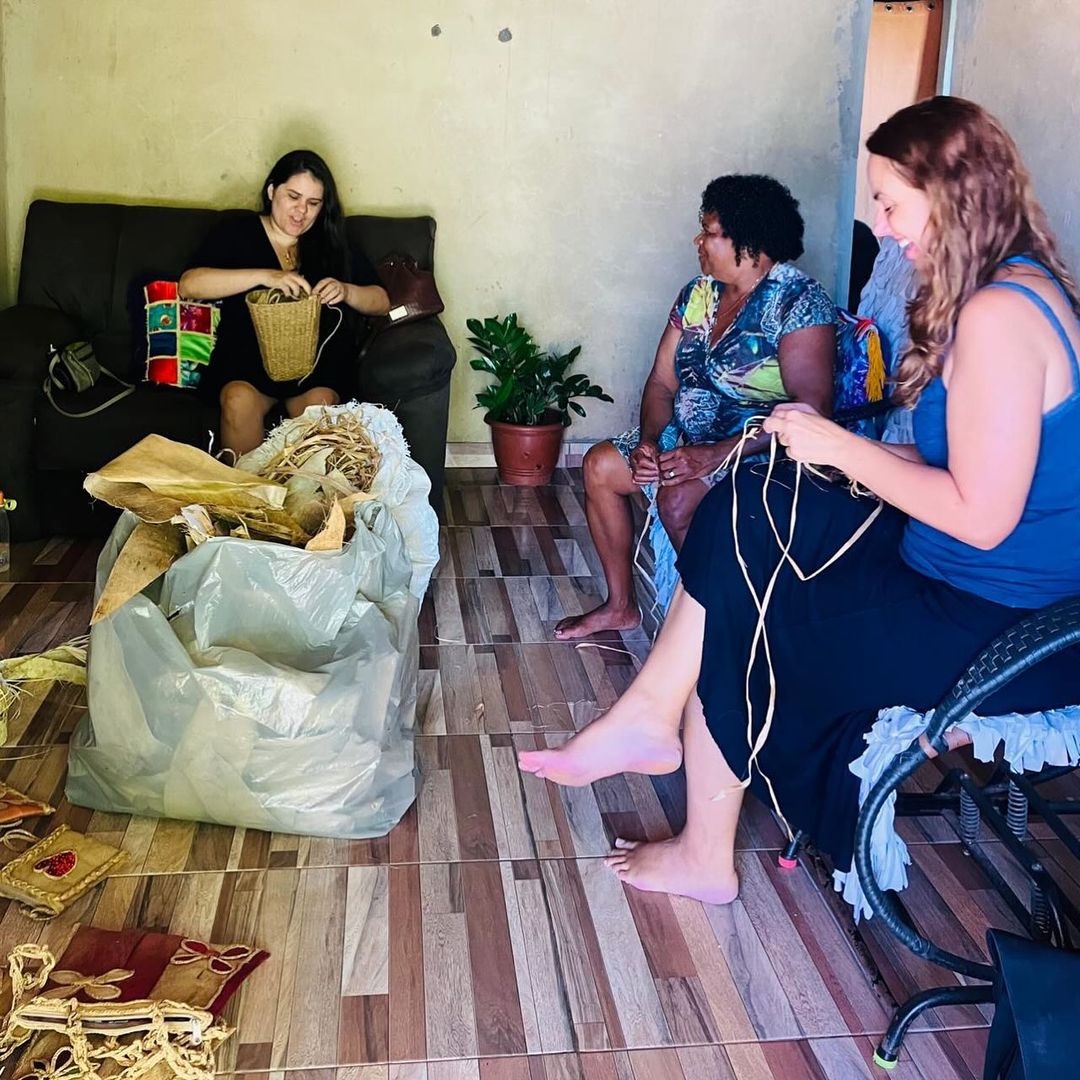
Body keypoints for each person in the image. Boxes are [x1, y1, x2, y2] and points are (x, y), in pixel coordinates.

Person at [521, 96, 1080, 903]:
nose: (882, 225)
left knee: (754, 612)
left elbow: (983, 517)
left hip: (1002, 620)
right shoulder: (1010, 290)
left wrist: (843, 448)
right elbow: (959, 461)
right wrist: (824, 452)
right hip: (963, 574)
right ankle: (648, 716)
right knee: (754, 496)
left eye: (890, 202)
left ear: (951, 193)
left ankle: (702, 849)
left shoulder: (997, 316)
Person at [553, 175, 836, 640]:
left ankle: (722, 628)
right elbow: (662, 384)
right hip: (687, 441)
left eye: (709, 232)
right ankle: (621, 607)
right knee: (601, 465)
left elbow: (811, 411)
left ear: (750, 242)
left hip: (760, 454)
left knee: (678, 498)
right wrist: (648, 442)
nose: (697, 241)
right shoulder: (698, 295)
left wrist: (714, 456)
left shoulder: (798, 303)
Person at [180, 149, 390, 456]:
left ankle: (303, 487)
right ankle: (248, 487)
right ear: (271, 191)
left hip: (315, 368)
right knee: (238, 401)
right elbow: (189, 285)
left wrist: (346, 291)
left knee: (320, 406)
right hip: (246, 363)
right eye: (293, 197)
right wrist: (265, 276)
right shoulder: (237, 232)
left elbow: (382, 301)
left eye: (313, 203)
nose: (301, 211)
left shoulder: (331, 241)